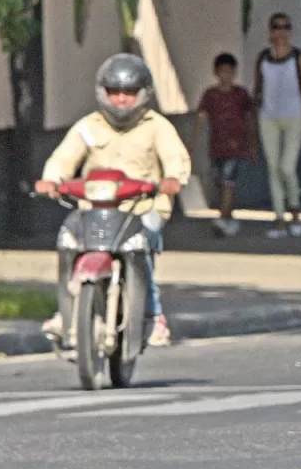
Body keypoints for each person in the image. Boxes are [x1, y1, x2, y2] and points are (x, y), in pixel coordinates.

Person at [36, 53, 191, 348]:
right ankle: (66, 312)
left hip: (142, 208)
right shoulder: (88, 126)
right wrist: (52, 180)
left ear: (144, 93)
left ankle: (153, 316)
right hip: (94, 210)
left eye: (130, 93)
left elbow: (176, 158)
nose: (121, 99)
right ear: (101, 92)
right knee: (69, 241)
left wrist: (173, 179)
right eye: (114, 92)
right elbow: (64, 156)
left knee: (140, 245)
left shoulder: (156, 126)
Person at [253, 12, 301, 239]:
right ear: (270, 31)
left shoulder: (299, 57)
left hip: (294, 116)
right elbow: (258, 88)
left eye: (286, 27)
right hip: (268, 117)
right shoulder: (263, 58)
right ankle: (279, 218)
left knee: (287, 167)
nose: (281, 32)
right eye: (277, 27)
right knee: (273, 167)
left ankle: (295, 211)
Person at [193, 52, 258, 238]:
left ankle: (222, 218)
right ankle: (229, 218)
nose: (226, 75)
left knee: (228, 181)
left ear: (234, 73)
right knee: (221, 184)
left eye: (230, 72)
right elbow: (200, 118)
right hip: (217, 147)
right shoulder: (210, 95)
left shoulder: (241, 94)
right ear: (216, 72)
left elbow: (250, 119)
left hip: (236, 146)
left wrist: (253, 144)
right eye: (223, 71)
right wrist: (191, 144)